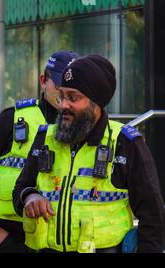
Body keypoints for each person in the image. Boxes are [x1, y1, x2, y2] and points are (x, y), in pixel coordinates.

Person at [13, 54, 165, 253]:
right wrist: (29, 197)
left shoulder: (125, 143)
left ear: (96, 103)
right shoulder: (45, 137)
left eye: (73, 97)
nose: (63, 105)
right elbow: (20, 189)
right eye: (62, 95)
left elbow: (153, 216)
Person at [0, 50, 80, 252]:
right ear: (43, 81)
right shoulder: (9, 120)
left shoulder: (88, 127)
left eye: (72, 88)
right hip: (8, 240)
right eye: (59, 85)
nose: (65, 93)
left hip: (62, 241)